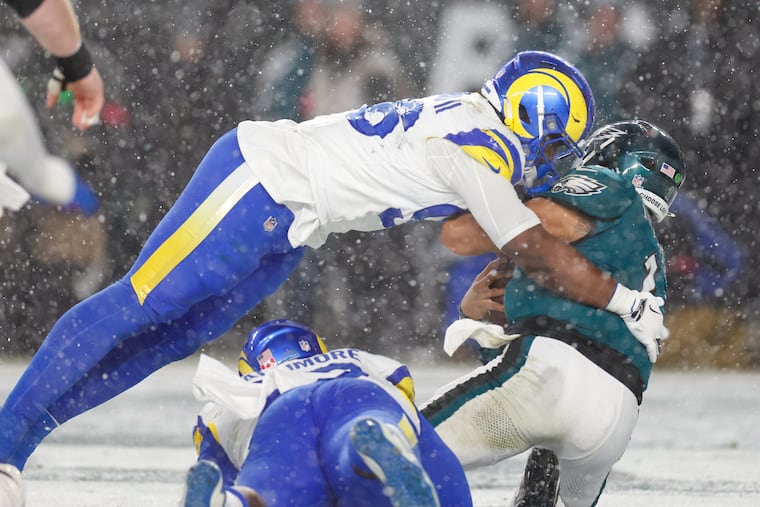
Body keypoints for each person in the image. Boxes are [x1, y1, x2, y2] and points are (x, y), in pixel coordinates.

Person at [0, 51, 666, 493]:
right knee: (136, 304)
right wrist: (623, 299)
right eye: (556, 144)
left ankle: (19, 447)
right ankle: (6, 443)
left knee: (172, 336)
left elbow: (467, 231)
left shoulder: (476, 133)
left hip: (294, 221)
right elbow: (530, 244)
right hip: (262, 180)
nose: (551, 161)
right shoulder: (480, 145)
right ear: (537, 113)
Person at [421, 120, 686, 507]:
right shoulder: (645, 255)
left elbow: (505, 230)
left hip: (555, 374)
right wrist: (475, 315)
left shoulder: (610, 187)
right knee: (544, 484)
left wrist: (483, 193)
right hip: (614, 418)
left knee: (397, 448)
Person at [179, 319, 472, 507]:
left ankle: (232, 502)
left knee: (273, 493)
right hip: (355, 391)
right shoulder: (355, 358)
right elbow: (404, 398)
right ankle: (364, 454)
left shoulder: (237, 392)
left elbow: (216, 465)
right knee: (367, 440)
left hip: (277, 415)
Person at [0, 0, 102, 218]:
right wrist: (42, 176)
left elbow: (117, 116)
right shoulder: (20, 59)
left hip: (83, 161)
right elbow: (8, 122)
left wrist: (87, 141)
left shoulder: (101, 60)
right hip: (30, 162)